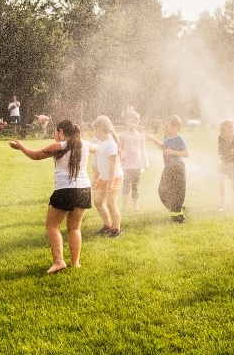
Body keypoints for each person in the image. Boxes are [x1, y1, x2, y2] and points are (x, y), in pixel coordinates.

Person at [9, 120, 98, 274]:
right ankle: (76, 263)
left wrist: (21, 146)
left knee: (52, 226)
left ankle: (59, 261)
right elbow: (96, 147)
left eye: (56, 132)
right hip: (84, 190)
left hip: (65, 191)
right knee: (75, 228)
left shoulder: (58, 147)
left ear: (61, 132)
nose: (55, 135)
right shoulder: (85, 144)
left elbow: (35, 156)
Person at [146, 115, 189, 223]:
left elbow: (186, 153)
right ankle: (177, 209)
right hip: (168, 167)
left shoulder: (179, 139)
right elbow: (163, 147)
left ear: (176, 127)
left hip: (178, 167)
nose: (164, 129)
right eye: (164, 126)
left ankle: (178, 216)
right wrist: (153, 139)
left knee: (178, 192)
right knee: (162, 190)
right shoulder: (166, 137)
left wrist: (172, 152)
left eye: (167, 127)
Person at [91, 115, 124, 237]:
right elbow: (99, 162)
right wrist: (95, 178)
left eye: (95, 130)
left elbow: (112, 166)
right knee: (98, 201)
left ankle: (117, 229)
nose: (94, 133)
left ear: (101, 129)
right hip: (103, 177)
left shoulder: (111, 144)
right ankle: (107, 225)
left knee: (111, 203)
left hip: (114, 178)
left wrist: (110, 183)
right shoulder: (100, 142)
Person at [119, 109, 148, 212]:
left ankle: (136, 209)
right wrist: (121, 162)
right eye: (130, 121)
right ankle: (124, 208)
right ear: (126, 122)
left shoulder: (140, 136)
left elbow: (143, 150)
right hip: (127, 166)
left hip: (137, 165)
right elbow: (120, 150)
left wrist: (146, 163)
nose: (133, 123)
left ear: (138, 122)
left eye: (135, 121)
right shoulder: (122, 136)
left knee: (135, 186)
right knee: (126, 186)